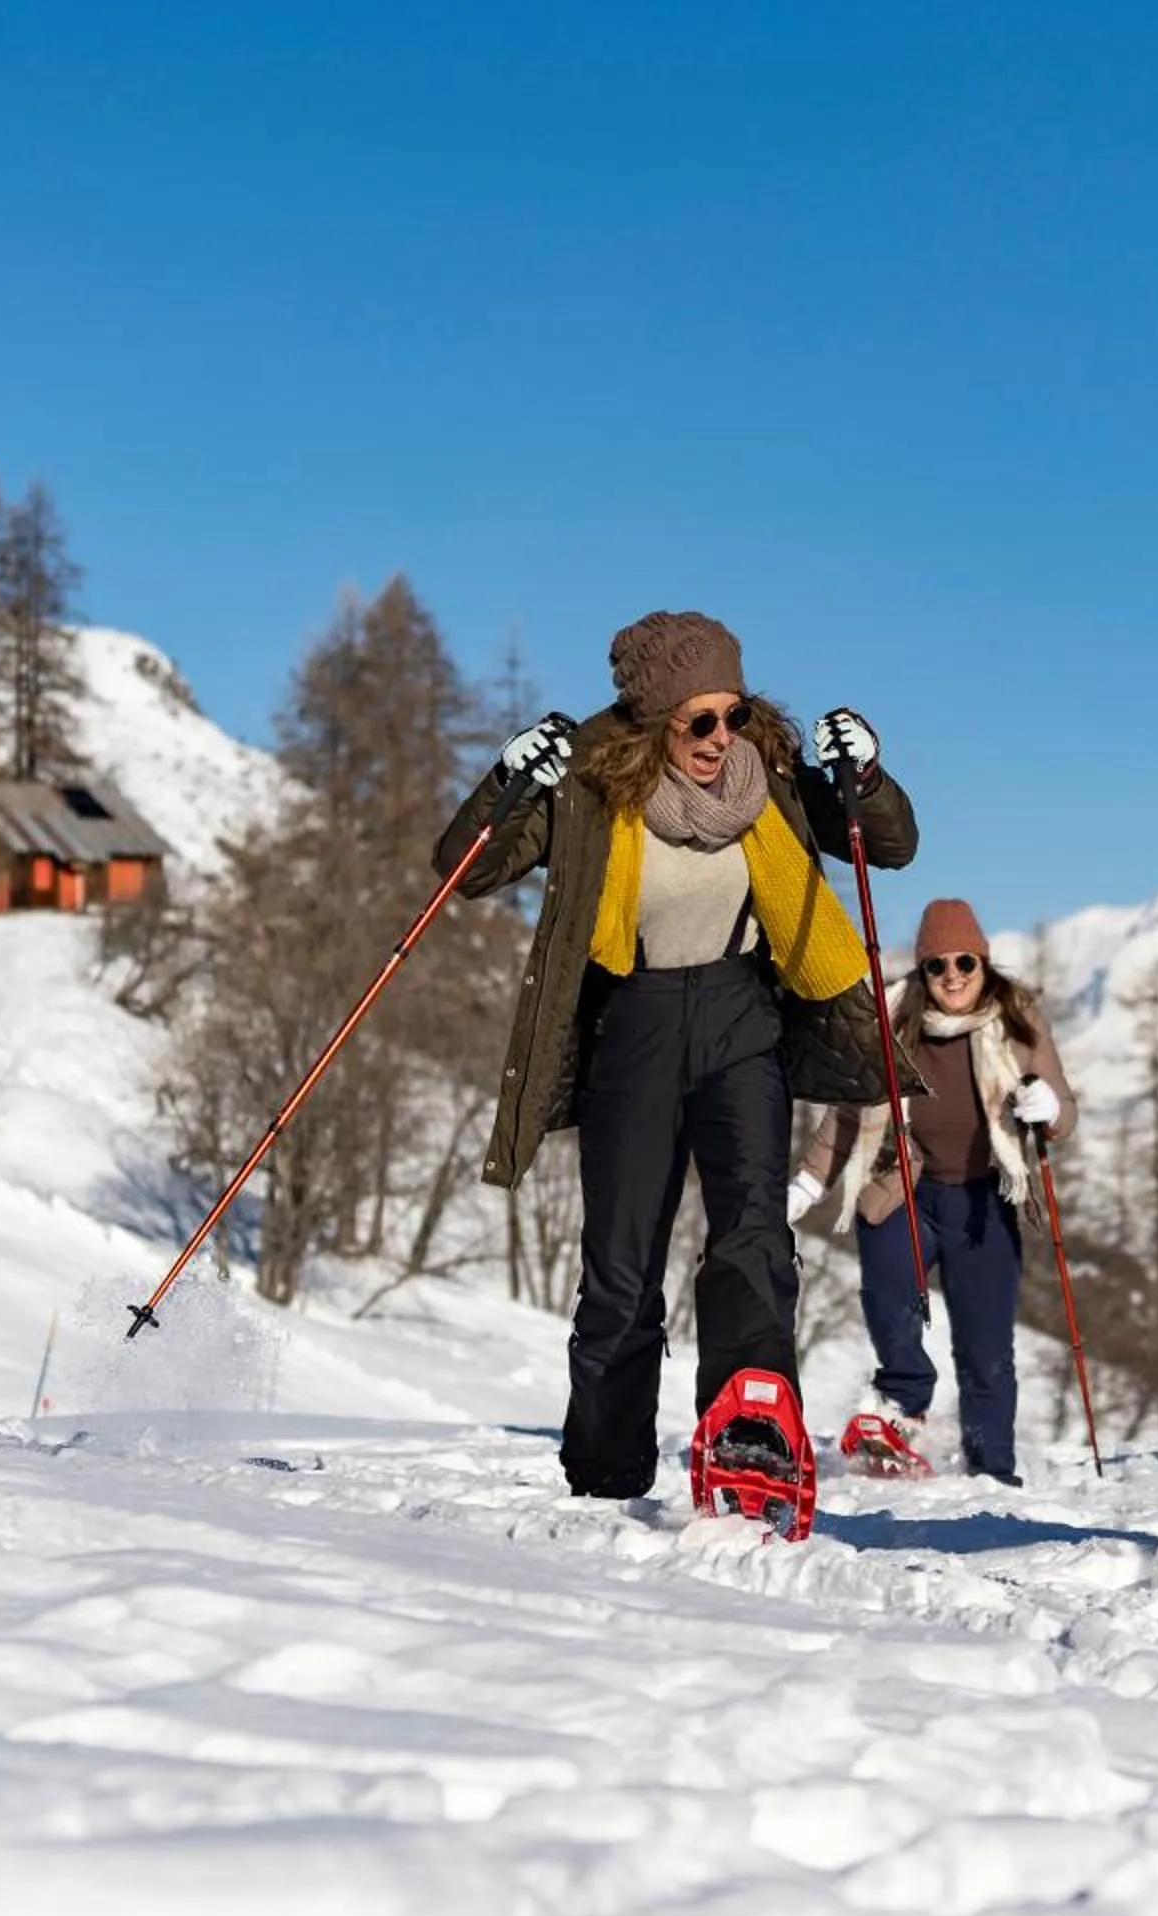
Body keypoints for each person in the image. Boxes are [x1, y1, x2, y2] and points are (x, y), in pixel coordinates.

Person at [436, 609, 916, 1502]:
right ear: (655, 719)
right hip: (638, 1024)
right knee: (621, 1264)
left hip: (743, 1021)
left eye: (732, 715)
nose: (719, 737)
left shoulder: (764, 776)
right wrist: (506, 784)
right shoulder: (589, 789)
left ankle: (749, 1433)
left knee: (754, 1240)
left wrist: (866, 775)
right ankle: (608, 1468)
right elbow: (466, 867)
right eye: (699, 721)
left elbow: (885, 843)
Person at [793, 899, 1074, 1485]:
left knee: (986, 1348)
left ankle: (992, 1469)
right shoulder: (893, 1023)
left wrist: (1046, 1110)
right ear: (921, 972)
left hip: (984, 1202)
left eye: (964, 963)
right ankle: (901, 1404)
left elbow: (1062, 1108)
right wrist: (808, 1182)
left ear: (984, 965)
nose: (952, 976)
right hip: (905, 1191)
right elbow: (849, 1112)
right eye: (936, 965)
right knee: (890, 1293)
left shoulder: (1017, 1023)